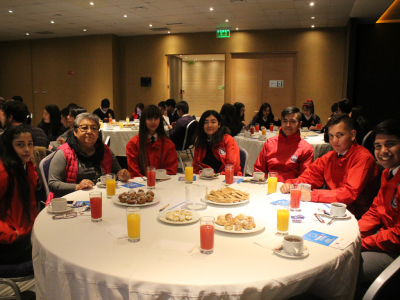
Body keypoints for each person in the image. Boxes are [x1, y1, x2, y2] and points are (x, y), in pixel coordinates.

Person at [280, 114, 379, 219]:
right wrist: (292, 184)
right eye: (331, 136)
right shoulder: (330, 156)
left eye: (340, 135)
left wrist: (311, 195)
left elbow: (349, 193)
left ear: (352, 135)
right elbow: (310, 176)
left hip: (356, 216)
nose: (334, 140)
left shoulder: (363, 158)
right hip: (331, 209)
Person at [356, 119, 400, 296]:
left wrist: (362, 243)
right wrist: (356, 233)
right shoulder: (388, 172)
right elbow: (376, 209)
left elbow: (398, 236)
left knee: (346, 267)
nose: (383, 151)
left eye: (390, 144)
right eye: (378, 146)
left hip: (396, 251)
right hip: (385, 239)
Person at [48, 113, 130, 200]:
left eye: (94, 128)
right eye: (84, 128)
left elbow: (117, 172)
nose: (89, 131)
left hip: (102, 198)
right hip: (72, 202)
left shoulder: (104, 150)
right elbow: (53, 184)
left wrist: (123, 174)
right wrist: (77, 187)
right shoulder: (64, 152)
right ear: (75, 132)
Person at [0, 125, 38, 264]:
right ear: (9, 146)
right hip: (8, 243)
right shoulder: (3, 172)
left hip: (26, 232)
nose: (27, 149)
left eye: (30, 144)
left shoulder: (26, 166)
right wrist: (11, 235)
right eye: (20, 145)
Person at [254, 107, 314, 181]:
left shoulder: (306, 148)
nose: (288, 125)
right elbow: (258, 169)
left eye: (292, 121)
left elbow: (305, 178)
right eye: (285, 121)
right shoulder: (269, 143)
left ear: (299, 124)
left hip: (291, 189)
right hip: (267, 186)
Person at [126, 105, 178, 177]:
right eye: (149, 118)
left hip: (164, 184)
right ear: (144, 120)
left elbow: (171, 171)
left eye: (156, 118)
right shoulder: (133, 144)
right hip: (141, 185)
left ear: (160, 120)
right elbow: (134, 173)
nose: (153, 122)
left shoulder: (168, 144)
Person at [192, 110, 242, 176]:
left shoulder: (228, 140)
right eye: (206, 122)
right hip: (206, 179)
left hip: (227, 178)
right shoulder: (200, 141)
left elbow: (232, 166)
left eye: (213, 122)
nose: (209, 125)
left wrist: (217, 177)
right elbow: (196, 167)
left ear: (219, 125)